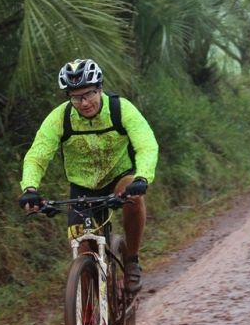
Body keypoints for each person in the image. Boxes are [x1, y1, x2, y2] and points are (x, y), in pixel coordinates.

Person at [18, 58, 158, 293]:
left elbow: (146, 145)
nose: (83, 103)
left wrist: (142, 177)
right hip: (82, 188)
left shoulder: (121, 109)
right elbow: (37, 155)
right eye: (75, 97)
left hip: (119, 178)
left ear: (100, 89)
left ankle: (131, 260)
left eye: (89, 94)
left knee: (133, 196)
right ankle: (90, 309)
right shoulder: (60, 118)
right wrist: (30, 188)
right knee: (82, 253)